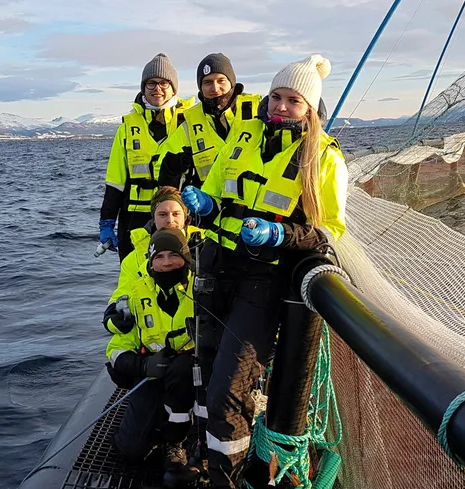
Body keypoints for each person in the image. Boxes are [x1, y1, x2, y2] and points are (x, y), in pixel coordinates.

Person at [180, 54, 349, 488]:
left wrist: (280, 236)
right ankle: (204, 460)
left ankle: (228, 480)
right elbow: (217, 192)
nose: (280, 106)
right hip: (217, 269)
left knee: (227, 391)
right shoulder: (244, 134)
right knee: (204, 370)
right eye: (276, 96)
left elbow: (329, 228)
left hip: (264, 280)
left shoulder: (323, 157)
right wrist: (203, 204)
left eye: (293, 100)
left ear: (310, 108)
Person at [102, 228, 200, 485]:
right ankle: (156, 423)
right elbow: (116, 349)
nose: (167, 263)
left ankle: (177, 440)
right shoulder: (136, 294)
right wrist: (144, 365)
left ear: (186, 258)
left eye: (174, 256)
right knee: (130, 450)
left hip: (193, 376)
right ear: (150, 261)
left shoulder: (201, 289)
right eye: (160, 257)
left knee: (183, 372)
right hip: (153, 373)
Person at [100, 53, 195, 261]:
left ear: (173, 88)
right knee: (135, 278)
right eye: (151, 83)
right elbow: (115, 182)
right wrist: (107, 221)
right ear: (143, 87)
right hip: (134, 218)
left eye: (164, 83)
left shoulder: (190, 124)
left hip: (176, 216)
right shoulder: (127, 128)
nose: (157, 89)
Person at [158, 53, 261, 191]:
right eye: (207, 82)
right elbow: (165, 165)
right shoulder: (190, 123)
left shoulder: (258, 112)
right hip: (207, 206)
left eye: (221, 81)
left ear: (232, 82)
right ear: (201, 87)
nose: (215, 88)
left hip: (250, 207)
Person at [110, 186, 204, 297]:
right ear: (154, 218)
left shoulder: (205, 246)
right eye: (162, 214)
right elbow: (122, 294)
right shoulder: (135, 259)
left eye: (176, 214)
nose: (170, 220)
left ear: (185, 217)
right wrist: (113, 311)